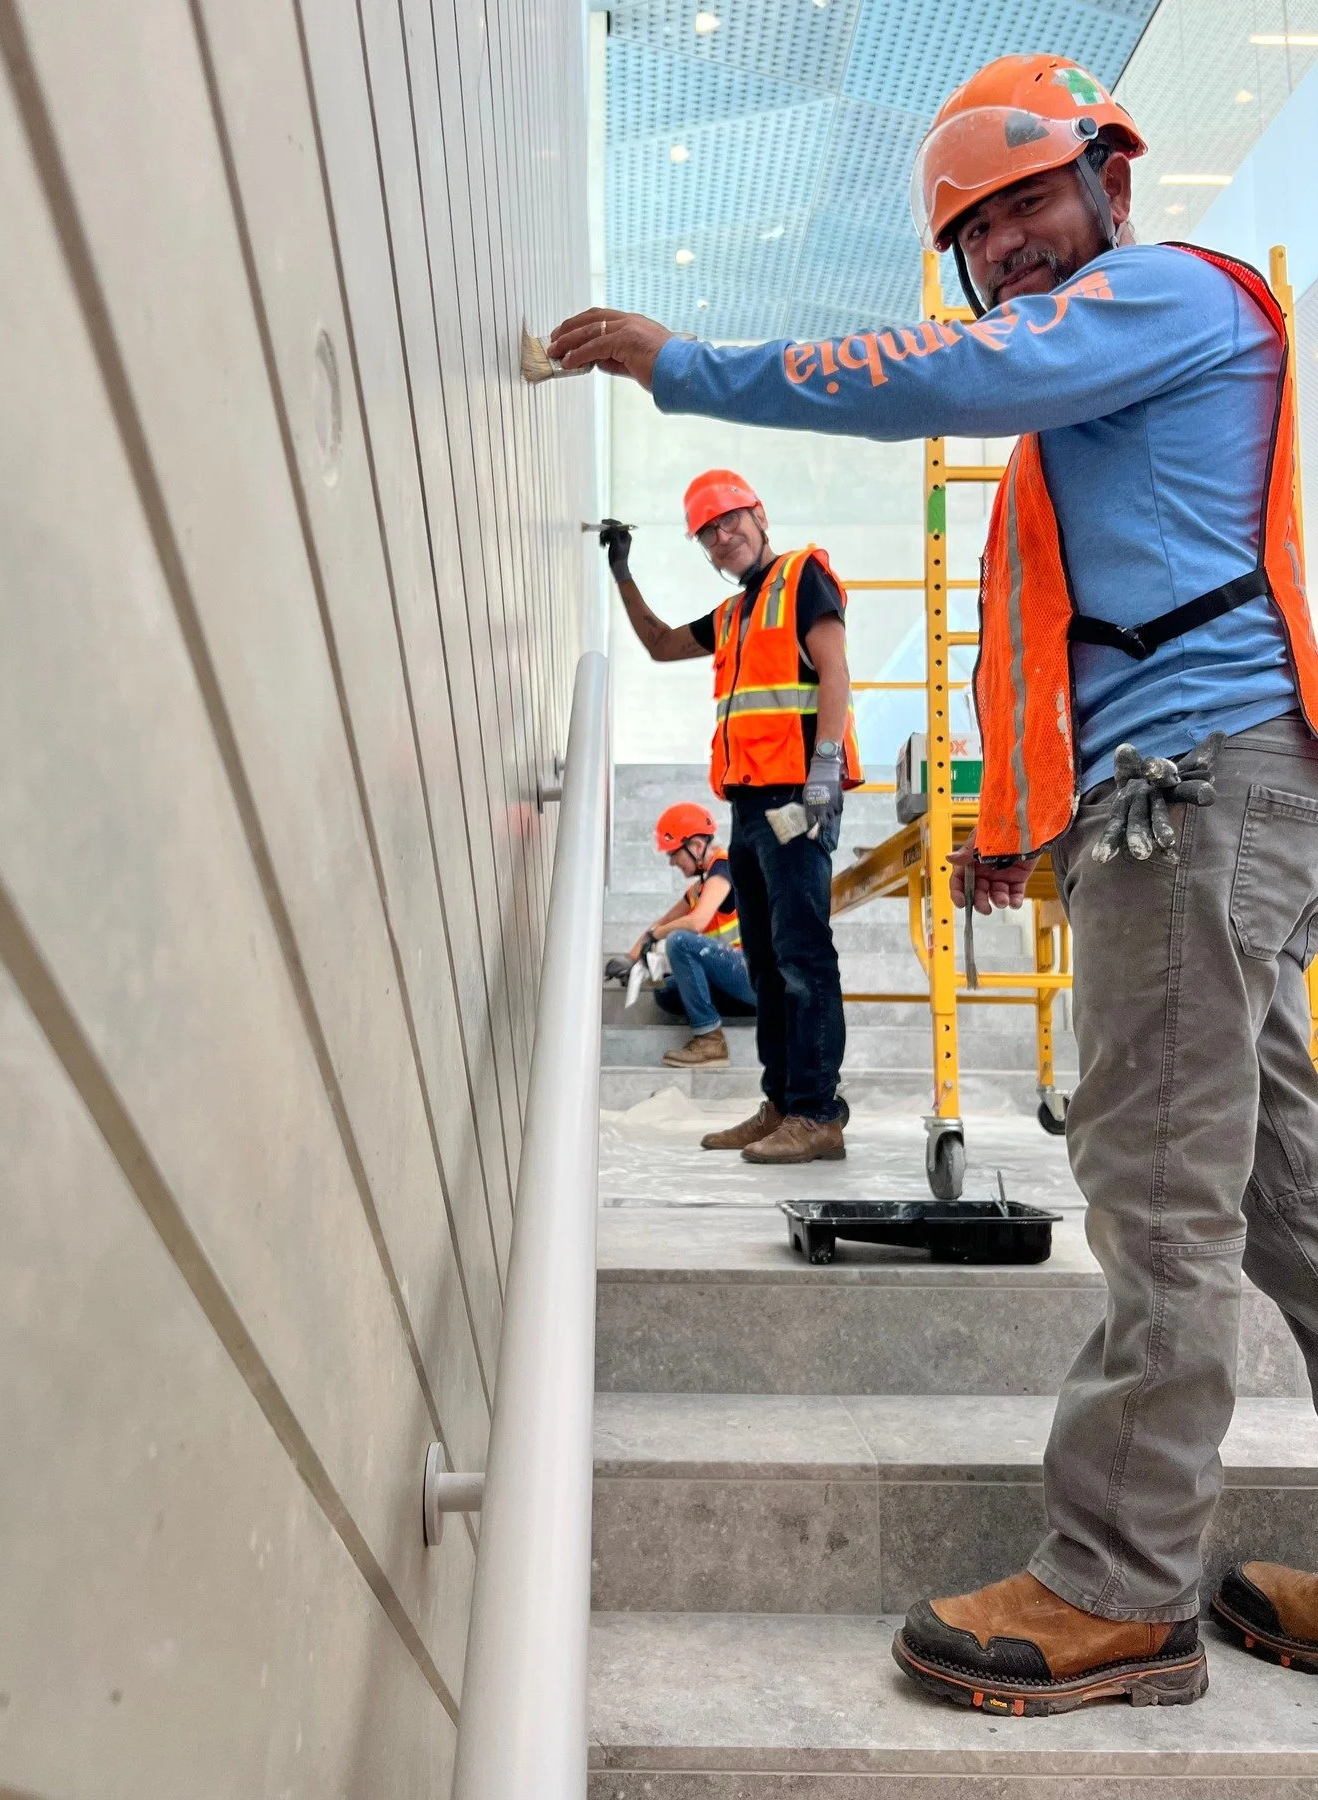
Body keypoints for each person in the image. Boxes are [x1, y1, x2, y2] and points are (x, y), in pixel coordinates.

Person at [551, 55, 1318, 1712]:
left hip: (1195, 799)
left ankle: (1118, 1590)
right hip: (1179, 796)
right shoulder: (1092, 397)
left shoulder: (1169, 296)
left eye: (1032, 202)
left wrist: (687, 363)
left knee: (1162, 1193)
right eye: (980, 235)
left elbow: (931, 374)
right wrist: (1014, 819)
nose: (1013, 248)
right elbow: (1072, 623)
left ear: (1108, 179)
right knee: (1285, 1199)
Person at [598, 473, 861, 1163]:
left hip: (798, 797)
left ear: (758, 515)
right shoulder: (734, 615)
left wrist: (825, 775)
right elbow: (658, 644)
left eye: (731, 520)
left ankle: (817, 1113)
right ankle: (782, 1105)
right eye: (710, 532)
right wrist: (622, 572)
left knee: (803, 955)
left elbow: (833, 671)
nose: (723, 535)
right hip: (747, 807)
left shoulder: (804, 577)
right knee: (769, 962)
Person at [606, 802, 757, 1068]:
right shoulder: (700, 889)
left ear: (697, 846)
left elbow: (695, 923)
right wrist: (630, 958)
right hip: (734, 984)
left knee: (679, 940)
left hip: (756, 978)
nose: (672, 861)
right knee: (666, 991)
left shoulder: (725, 867)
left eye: (675, 854)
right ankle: (711, 1025)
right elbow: (662, 922)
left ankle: (710, 1041)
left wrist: (658, 936)